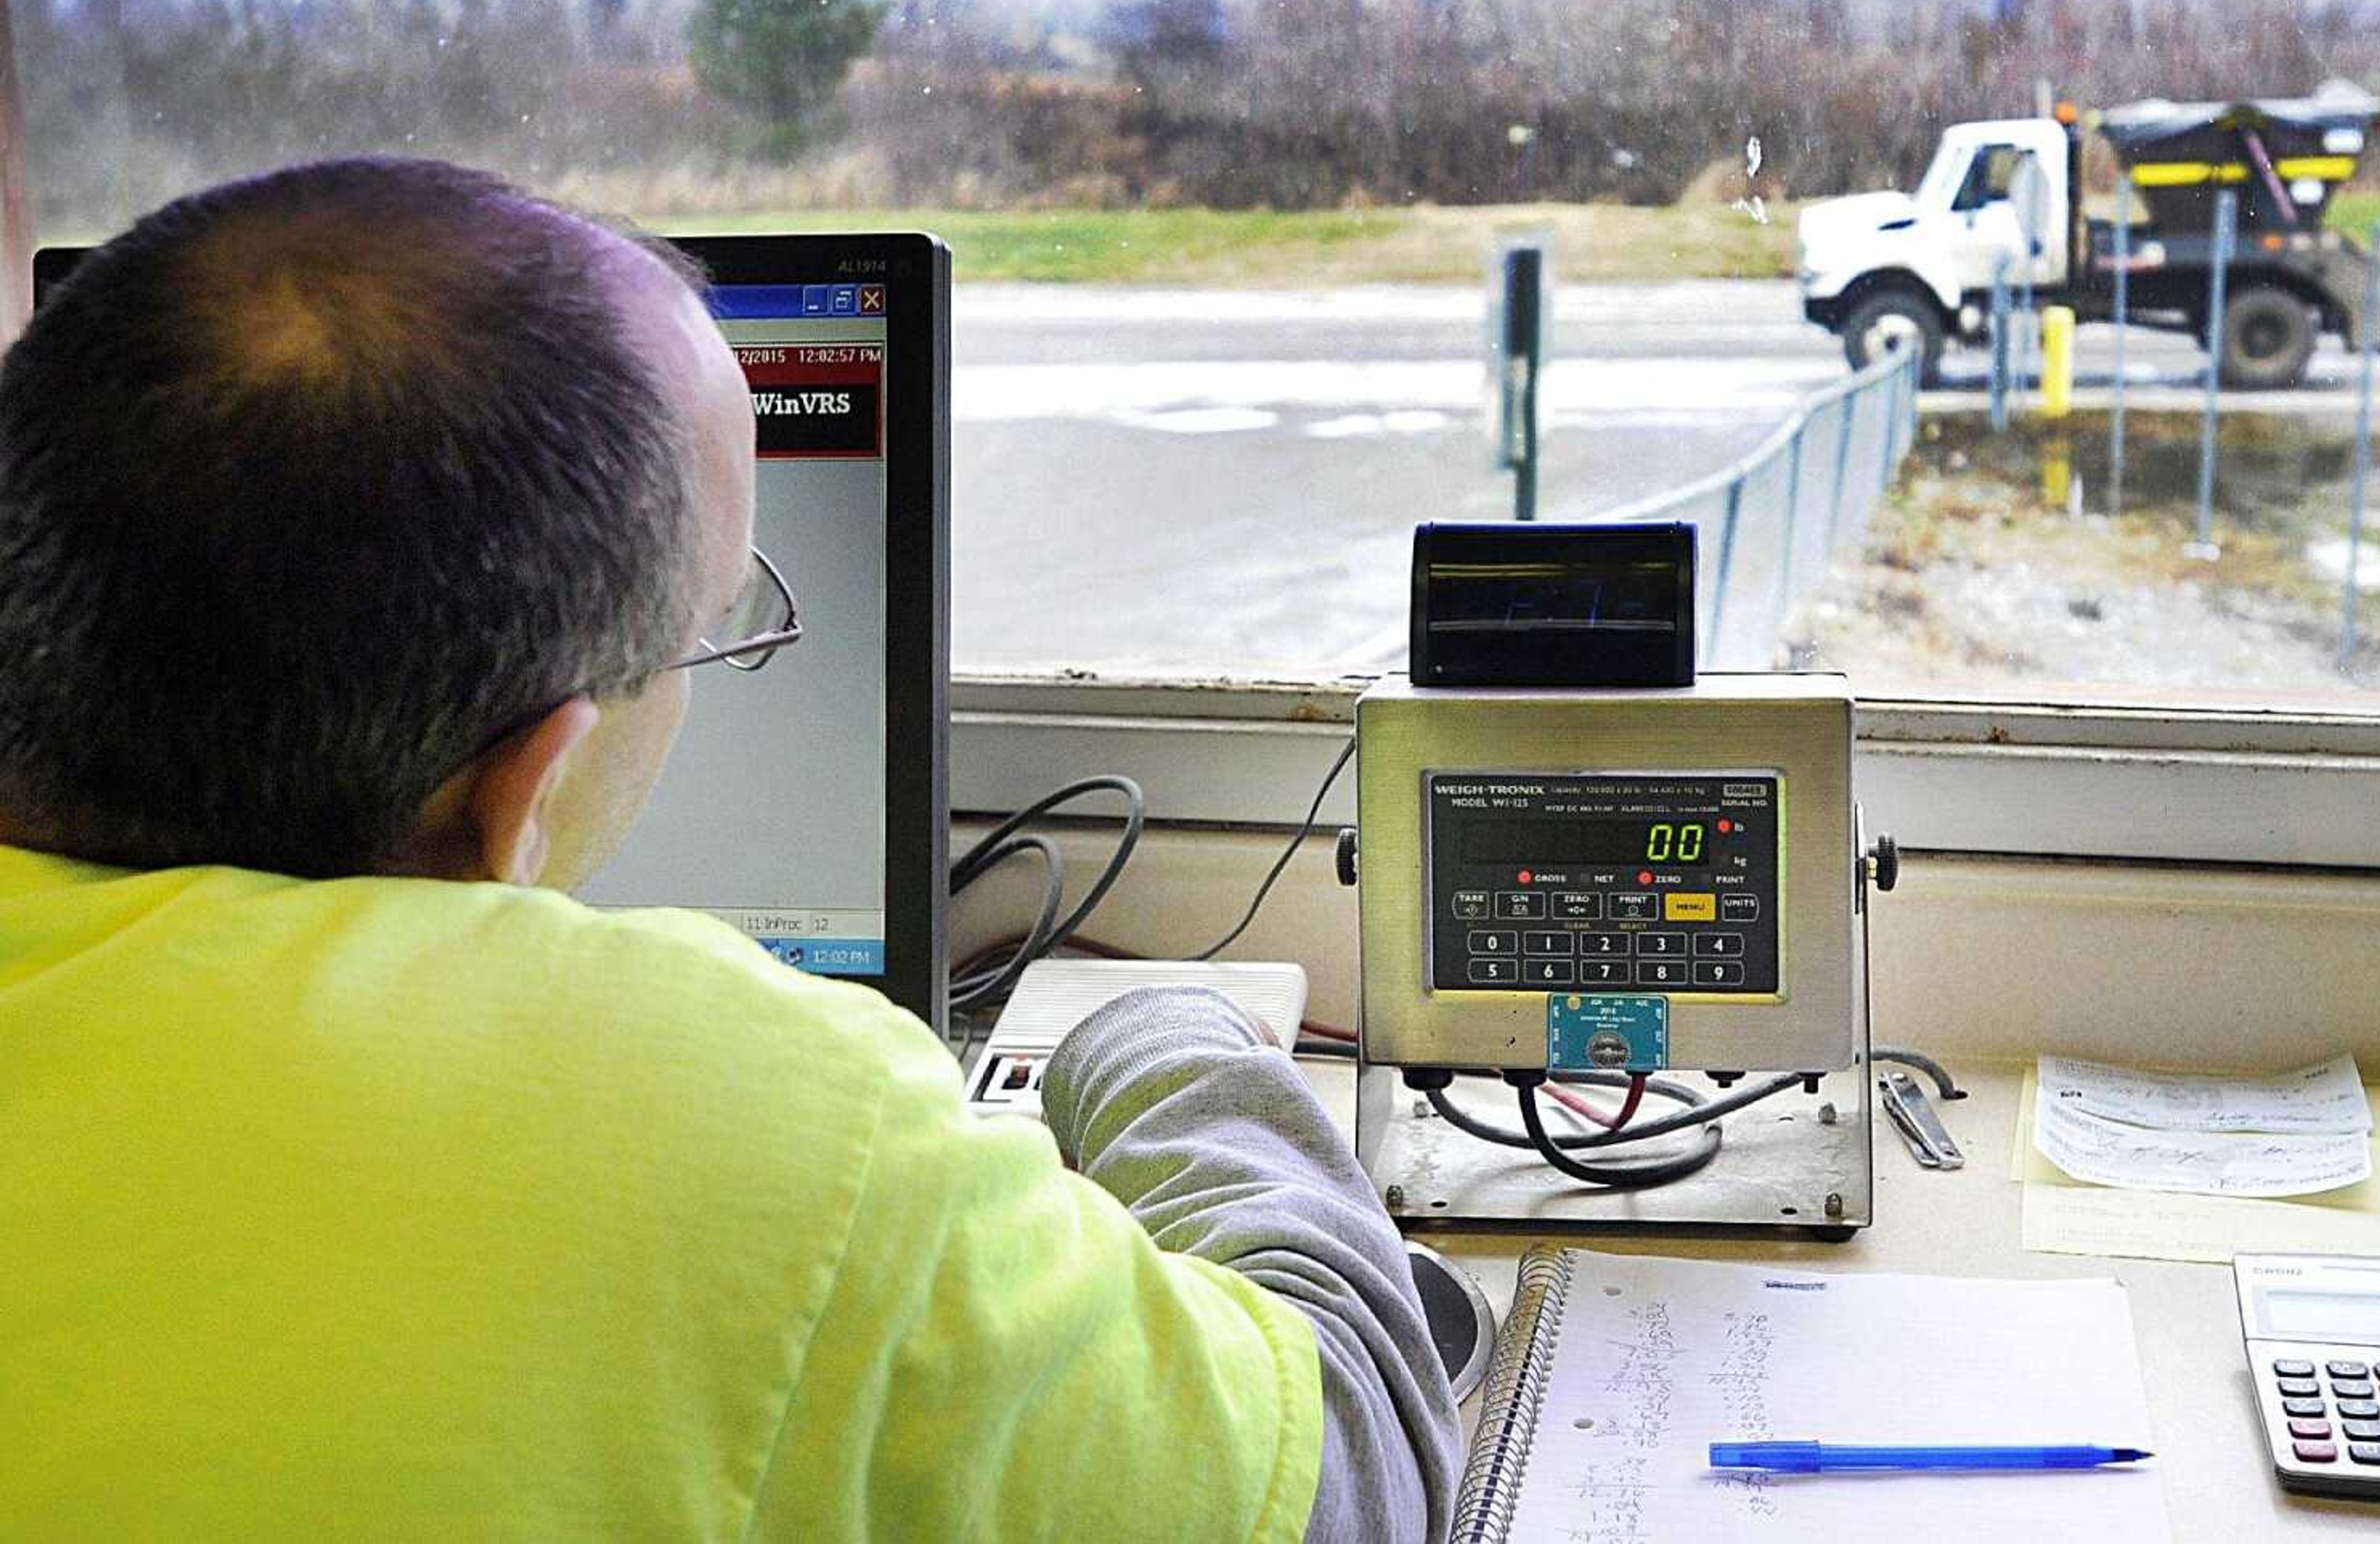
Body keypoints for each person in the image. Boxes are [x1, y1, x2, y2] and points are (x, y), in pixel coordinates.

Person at [0, 159, 1459, 1541]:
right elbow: (1354, 1482)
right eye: (712, 634)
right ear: (525, 790)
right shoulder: (736, 1125)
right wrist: (1166, 1037)